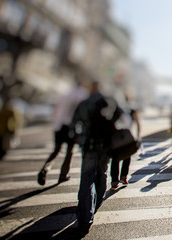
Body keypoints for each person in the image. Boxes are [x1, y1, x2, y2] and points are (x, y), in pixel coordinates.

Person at [70, 81, 122, 235]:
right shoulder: (109, 101)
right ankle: (97, 202)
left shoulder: (84, 103)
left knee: (87, 179)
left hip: (89, 147)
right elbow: (120, 114)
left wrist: (78, 137)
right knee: (102, 173)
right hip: (105, 146)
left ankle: (86, 218)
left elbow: (74, 123)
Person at [37, 81, 89, 185]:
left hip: (59, 125)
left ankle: (46, 168)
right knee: (69, 152)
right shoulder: (81, 94)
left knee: (56, 150)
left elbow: (56, 110)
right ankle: (63, 175)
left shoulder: (65, 94)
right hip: (71, 126)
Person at [110, 93, 141, 190]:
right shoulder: (131, 110)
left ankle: (114, 181)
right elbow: (138, 123)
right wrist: (138, 136)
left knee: (115, 159)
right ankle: (123, 177)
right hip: (128, 136)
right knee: (127, 156)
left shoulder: (116, 109)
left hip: (117, 136)